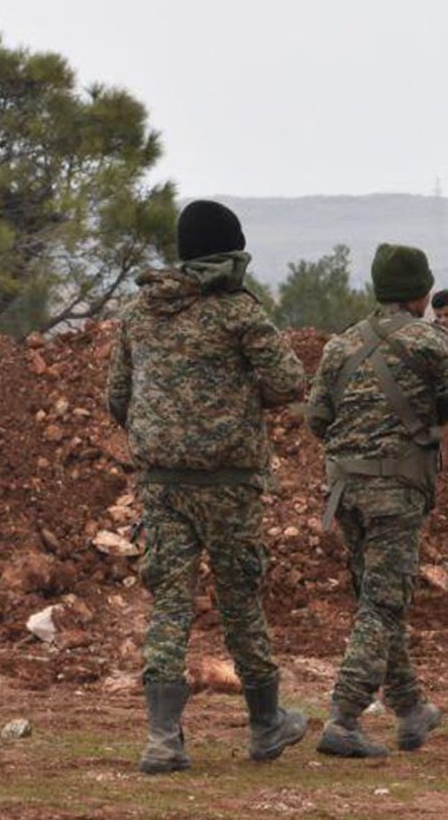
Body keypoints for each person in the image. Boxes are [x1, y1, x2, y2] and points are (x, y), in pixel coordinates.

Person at [107, 199, 310, 774]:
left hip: (161, 483)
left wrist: (164, 433)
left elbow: (116, 398)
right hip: (228, 483)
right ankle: (267, 724)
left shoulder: (139, 312)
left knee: (169, 602)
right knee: (240, 597)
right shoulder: (240, 313)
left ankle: (163, 738)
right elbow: (289, 382)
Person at [306, 244, 448, 757]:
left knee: (378, 598)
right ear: (422, 292)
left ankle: (411, 709)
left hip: (345, 489)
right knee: (383, 604)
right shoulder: (427, 341)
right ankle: (343, 719)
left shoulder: (341, 345)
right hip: (395, 493)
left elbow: (317, 419)